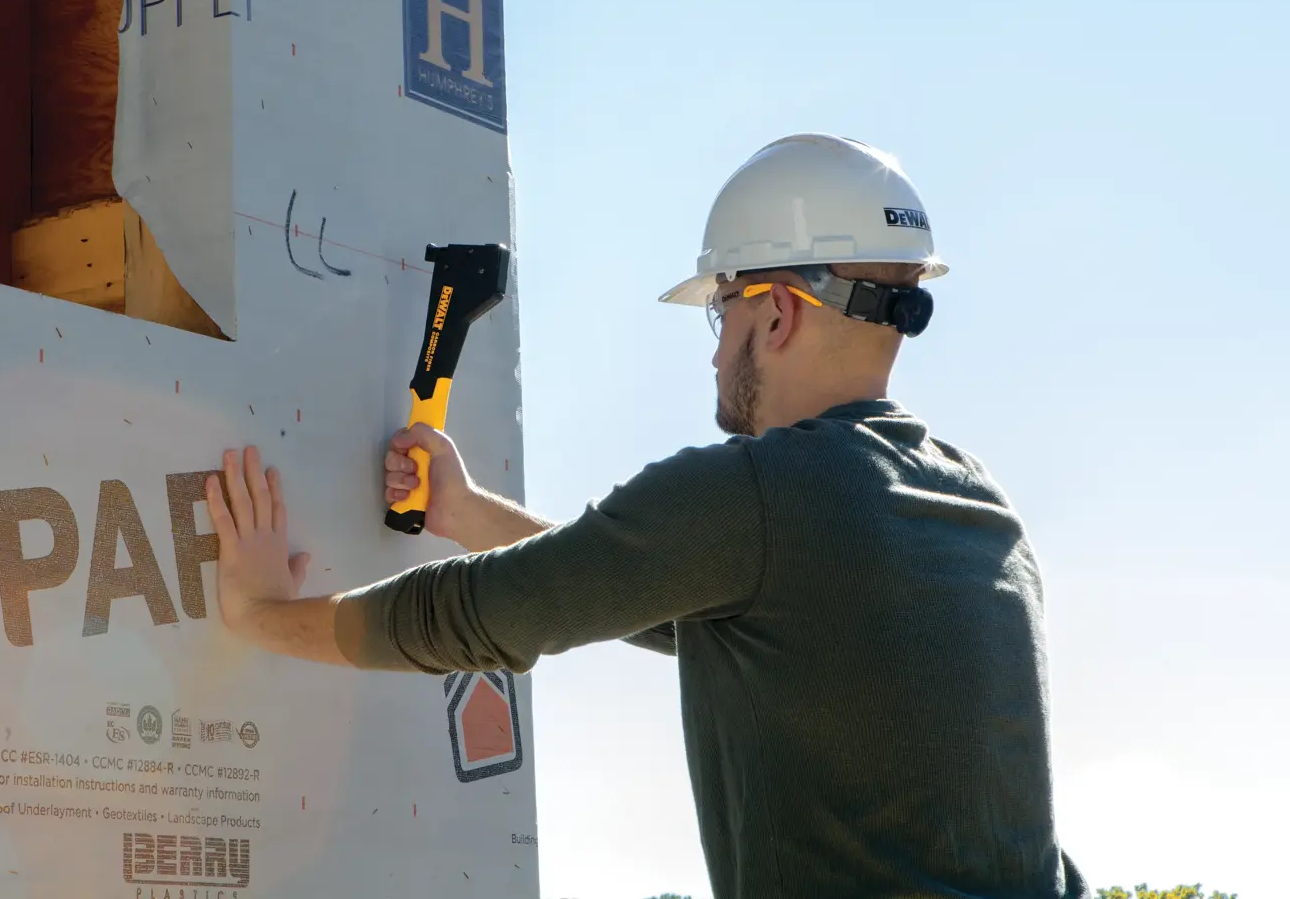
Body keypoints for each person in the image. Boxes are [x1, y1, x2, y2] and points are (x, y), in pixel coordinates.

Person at [204, 133, 1089, 899]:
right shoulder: (978, 507)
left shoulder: (757, 494)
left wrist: (260, 615)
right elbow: (647, 595)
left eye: (721, 314)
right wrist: (466, 513)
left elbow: (483, 613)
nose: (716, 357)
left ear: (779, 312)